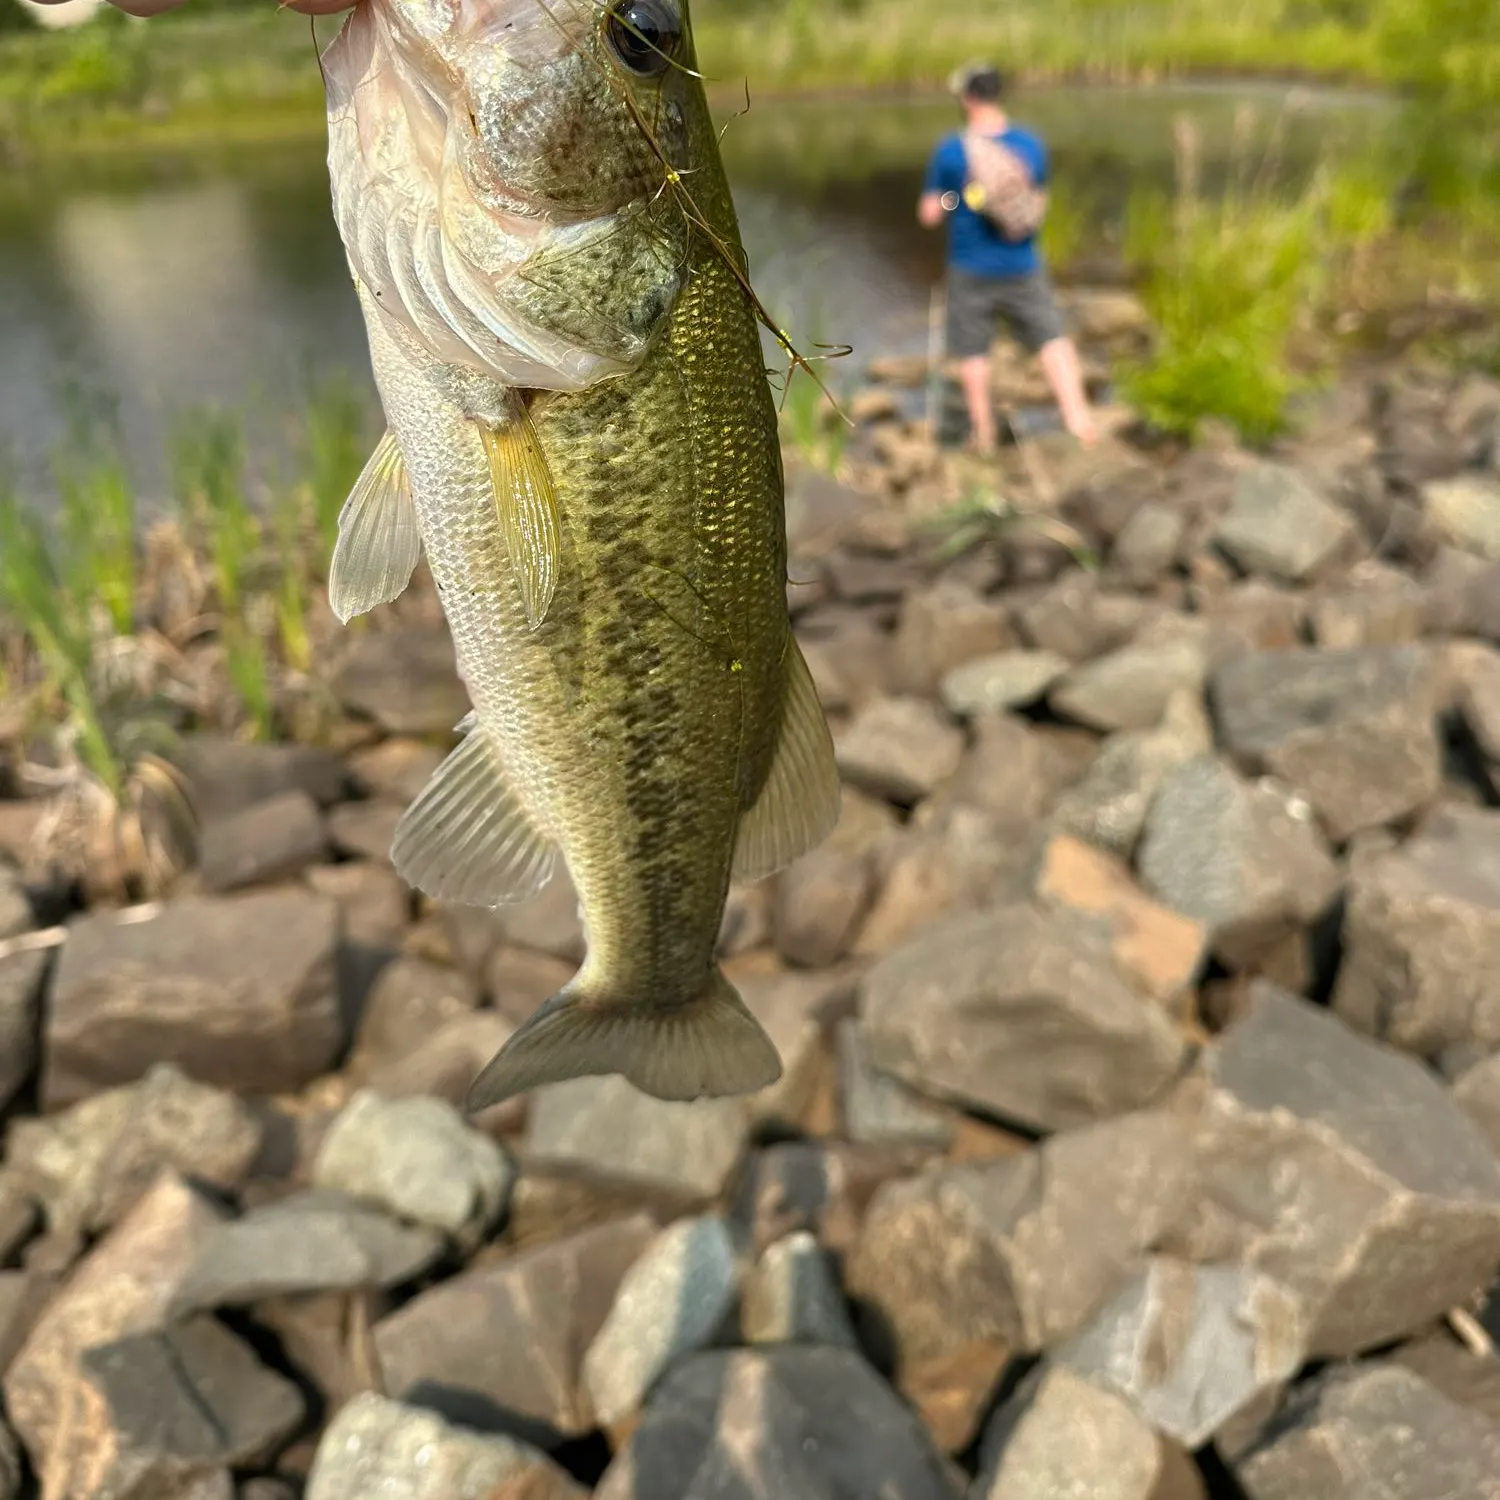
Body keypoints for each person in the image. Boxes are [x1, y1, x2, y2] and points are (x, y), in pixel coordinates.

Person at [918, 61, 1096, 453]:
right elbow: (1040, 202)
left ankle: (983, 433)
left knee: (973, 352)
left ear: (966, 97)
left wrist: (953, 200)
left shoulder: (951, 149)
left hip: (970, 265)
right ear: (998, 94)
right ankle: (1078, 418)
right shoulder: (1030, 143)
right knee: (1051, 337)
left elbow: (928, 214)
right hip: (1023, 262)